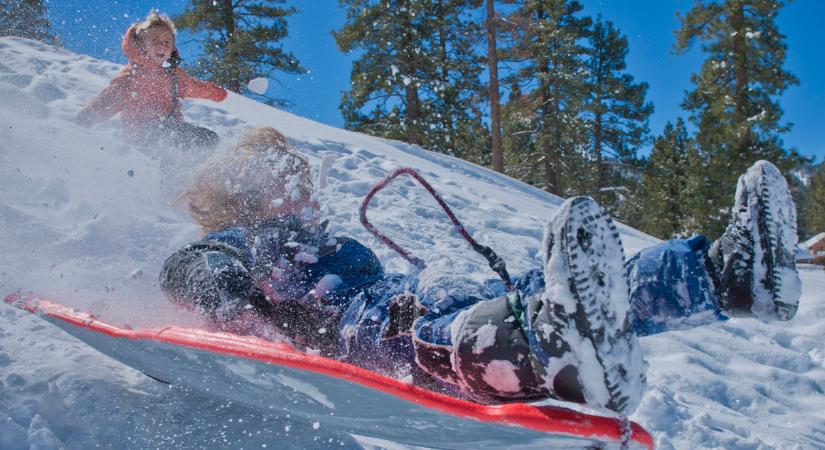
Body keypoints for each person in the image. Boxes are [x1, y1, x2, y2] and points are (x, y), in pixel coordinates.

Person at [159, 127, 802, 415]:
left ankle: (724, 276)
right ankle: (553, 348)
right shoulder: (253, 242)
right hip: (366, 333)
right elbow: (191, 266)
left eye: (304, 184)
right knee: (430, 330)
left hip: (410, 298)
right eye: (285, 189)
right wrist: (217, 276)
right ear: (247, 202)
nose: (303, 199)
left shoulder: (343, 250)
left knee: (533, 290)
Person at [75, 11, 228, 150]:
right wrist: (81, 122)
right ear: (141, 44)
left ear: (172, 49)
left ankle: (187, 176)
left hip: (172, 133)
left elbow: (196, 87)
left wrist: (217, 93)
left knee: (208, 139)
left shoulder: (175, 77)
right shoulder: (131, 77)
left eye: (166, 43)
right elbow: (106, 101)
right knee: (171, 135)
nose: (161, 46)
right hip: (141, 137)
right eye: (154, 40)